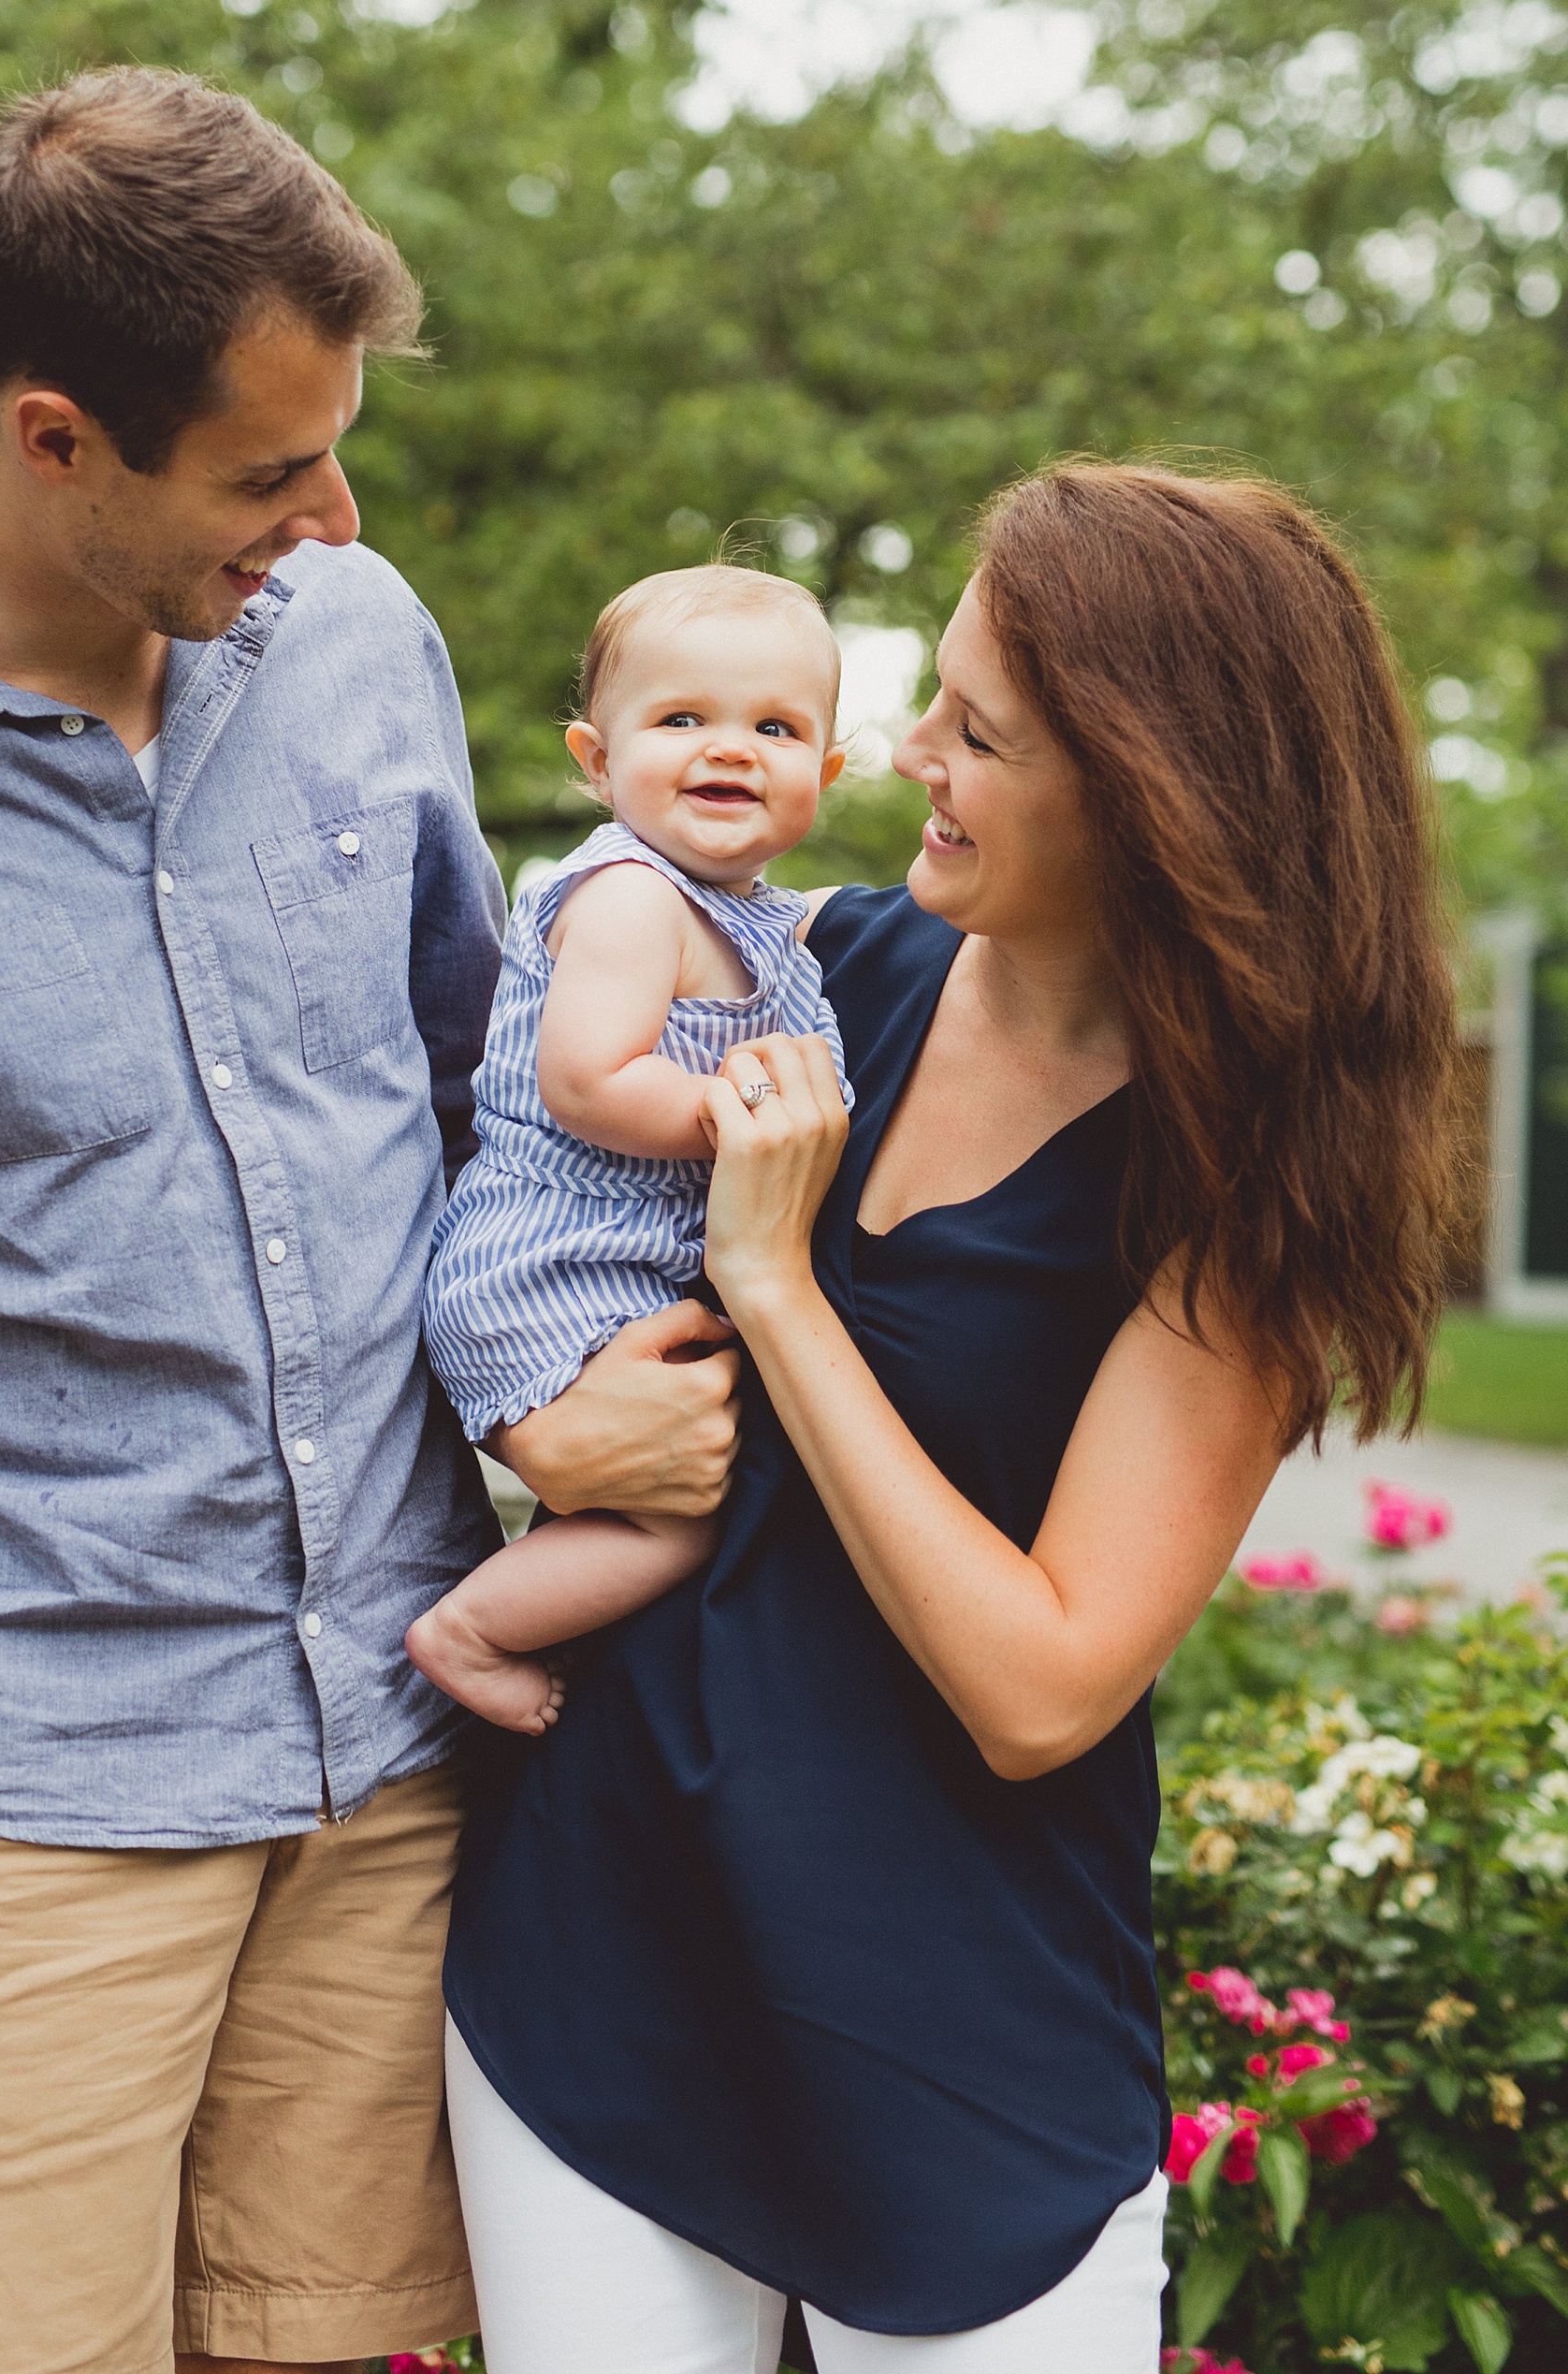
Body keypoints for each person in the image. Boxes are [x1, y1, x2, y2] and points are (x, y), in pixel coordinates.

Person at [0, 67, 745, 2374]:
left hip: (393, 1752)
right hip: (25, 1811)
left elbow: (503, 1108)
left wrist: (589, 1410)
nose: (336, 510)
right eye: (273, 470)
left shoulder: (356, 635)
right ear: (52, 434)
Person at [443, 462, 1457, 2372]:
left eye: (973, 730)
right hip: (602, 1963)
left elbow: (1042, 1684)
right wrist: (535, 1434)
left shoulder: (1224, 1202)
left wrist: (775, 1287)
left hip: (946, 2044)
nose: (905, 754)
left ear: (1149, 796)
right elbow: (519, 1196)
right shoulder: (804, 965)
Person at [410, 565, 850, 1735]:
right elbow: (589, 1080)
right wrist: (735, 1113)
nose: (730, 748)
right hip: (553, 1262)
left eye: (774, 727)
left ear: (828, 772)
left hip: (611, 1264)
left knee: (697, 1487)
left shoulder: (755, 914)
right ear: (596, 761)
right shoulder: (628, 898)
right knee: (679, 1516)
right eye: (680, 720)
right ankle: (470, 1627)